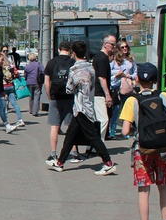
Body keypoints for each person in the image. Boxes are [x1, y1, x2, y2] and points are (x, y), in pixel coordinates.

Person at [119, 63, 166, 220]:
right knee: (163, 187)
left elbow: (125, 131)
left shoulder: (132, 101)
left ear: (138, 79)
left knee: (144, 190)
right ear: (156, 80)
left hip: (143, 150)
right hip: (164, 150)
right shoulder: (165, 96)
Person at [48, 40, 117, 175]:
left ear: (73, 53)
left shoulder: (74, 70)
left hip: (80, 107)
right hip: (88, 105)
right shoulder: (91, 68)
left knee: (93, 137)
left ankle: (108, 162)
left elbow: (69, 89)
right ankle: (60, 162)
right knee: (70, 136)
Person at [43, 42, 80, 165]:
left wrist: (49, 96)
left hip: (55, 98)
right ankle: (74, 152)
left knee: (55, 126)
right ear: (69, 50)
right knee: (71, 126)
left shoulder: (52, 62)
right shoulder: (73, 62)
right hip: (70, 98)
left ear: (59, 49)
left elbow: (47, 82)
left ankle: (53, 153)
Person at [108, 39, 137, 138]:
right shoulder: (113, 61)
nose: (125, 49)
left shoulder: (131, 60)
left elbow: (135, 74)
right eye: (122, 47)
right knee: (115, 110)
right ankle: (112, 131)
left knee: (127, 110)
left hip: (126, 88)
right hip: (115, 88)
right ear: (118, 49)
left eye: (126, 47)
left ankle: (127, 131)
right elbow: (107, 74)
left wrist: (129, 76)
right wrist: (116, 75)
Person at [93, 34, 117, 140]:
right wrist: (107, 95)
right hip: (99, 93)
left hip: (97, 92)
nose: (114, 47)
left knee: (98, 119)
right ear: (106, 44)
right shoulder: (102, 58)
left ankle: (94, 145)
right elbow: (102, 78)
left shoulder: (100, 56)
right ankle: (98, 144)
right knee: (103, 120)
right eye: (112, 44)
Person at [24, 52, 44, 116]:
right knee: (36, 97)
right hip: (37, 82)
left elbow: (25, 75)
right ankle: (35, 112)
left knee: (31, 96)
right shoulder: (38, 64)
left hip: (29, 82)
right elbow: (43, 71)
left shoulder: (27, 66)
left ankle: (31, 110)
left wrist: (26, 79)